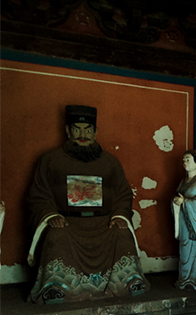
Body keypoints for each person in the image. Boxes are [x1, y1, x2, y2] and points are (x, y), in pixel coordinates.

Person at [27, 105, 149, 303]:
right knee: (56, 236)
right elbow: (39, 195)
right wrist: (52, 215)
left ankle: (127, 281)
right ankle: (57, 286)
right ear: (68, 131)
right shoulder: (51, 160)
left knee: (122, 234)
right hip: (68, 223)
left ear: (95, 132)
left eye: (88, 130)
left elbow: (123, 194)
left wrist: (119, 215)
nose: (82, 135)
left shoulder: (110, 162)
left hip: (103, 223)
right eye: (77, 129)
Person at [172, 149, 196, 291]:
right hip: (183, 220)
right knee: (184, 250)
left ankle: (194, 280)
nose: (185, 162)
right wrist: (176, 202)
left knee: (194, 251)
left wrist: (185, 202)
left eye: (188, 159)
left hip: (194, 222)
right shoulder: (183, 181)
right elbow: (177, 196)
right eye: (184, 160)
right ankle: (183, 279)